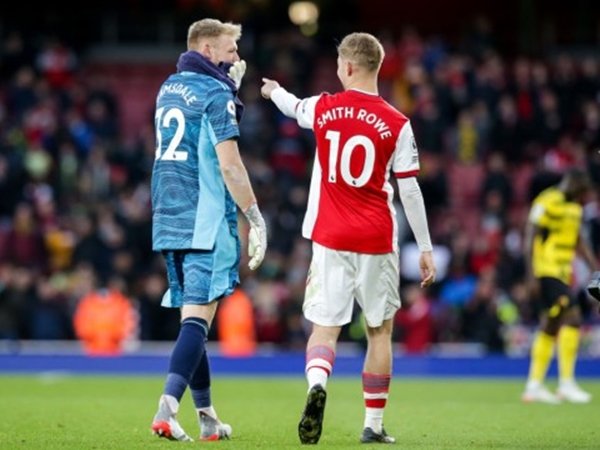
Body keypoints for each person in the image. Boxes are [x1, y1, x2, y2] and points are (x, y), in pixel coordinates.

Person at [261, 32, 436, 444]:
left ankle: (316, 386)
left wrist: (272, 91)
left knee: (324, 328)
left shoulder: (324, 108)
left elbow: (293, 107)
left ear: (350, 67)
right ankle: (373, 426)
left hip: (331, 235)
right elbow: (410, 189)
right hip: (377, 237)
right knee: (379, 331)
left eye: (340, 64)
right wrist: (425, 247)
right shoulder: (398, 122)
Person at [149, 18, 267, 442]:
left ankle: (207, 416)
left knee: (191, 317)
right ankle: (167, 407)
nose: (237, 59)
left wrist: (230, 92)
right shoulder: (216, 92)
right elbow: (229, 163)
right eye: (230, 51)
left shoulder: (168, 86)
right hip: (204, 217)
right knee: (200, 318)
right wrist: (254, 216)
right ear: (207, 49)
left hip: (168, 215)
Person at [521, 167, 598, 404]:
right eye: (582, 192)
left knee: (551, 325)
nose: (584, 198)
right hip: (545, 270)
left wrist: (595, 266)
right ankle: (566, 383)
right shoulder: (547, 201)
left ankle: (534, 385)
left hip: (564, 273)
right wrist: (531, 275)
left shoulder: (574, 208)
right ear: (574, 185)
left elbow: (577, 240)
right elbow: (530, 235)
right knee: (572, 315)